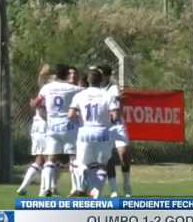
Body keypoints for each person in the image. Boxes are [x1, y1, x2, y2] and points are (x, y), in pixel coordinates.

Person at [31, 64, 83, 196]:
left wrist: (40, 109)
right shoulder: (74, 89)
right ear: (66, 75)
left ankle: (46, 189)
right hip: (69, 127)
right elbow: (87, 93)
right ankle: (77, 188)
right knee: (74, 157)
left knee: (51, 159)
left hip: (53, 128)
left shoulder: (46, 88)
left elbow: (36, 103)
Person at [68, 67, 120, 198]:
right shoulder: (107, 95)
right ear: (101, 80)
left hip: (85, 131)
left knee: (80, 162)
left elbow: (70, 114)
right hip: (102, 131)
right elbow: (115, 115)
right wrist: (111, 122)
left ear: (87, 80)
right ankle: (95, 192)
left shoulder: (79, 95)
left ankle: (83, 175)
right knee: (102, 165)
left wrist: (79, 122)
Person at [16, 64, 52, 196]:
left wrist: (42, 74)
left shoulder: (43, 93)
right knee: (49, 159)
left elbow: (40, 88)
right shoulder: (50, 93)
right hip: (45, 126)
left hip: (36, 126)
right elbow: (42, 85)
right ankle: (44, 190)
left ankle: (23, 187)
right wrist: (42, 74)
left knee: (39, 159)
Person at [98, 64, 132, 198]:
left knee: (124, 154)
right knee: (109, 158)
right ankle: (113, 189)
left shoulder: (113, 88)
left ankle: (127, 183)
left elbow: (118, 102)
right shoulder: (95, 89)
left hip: (117, 125)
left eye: (101, 74)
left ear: (106, 76)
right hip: (104, 126)